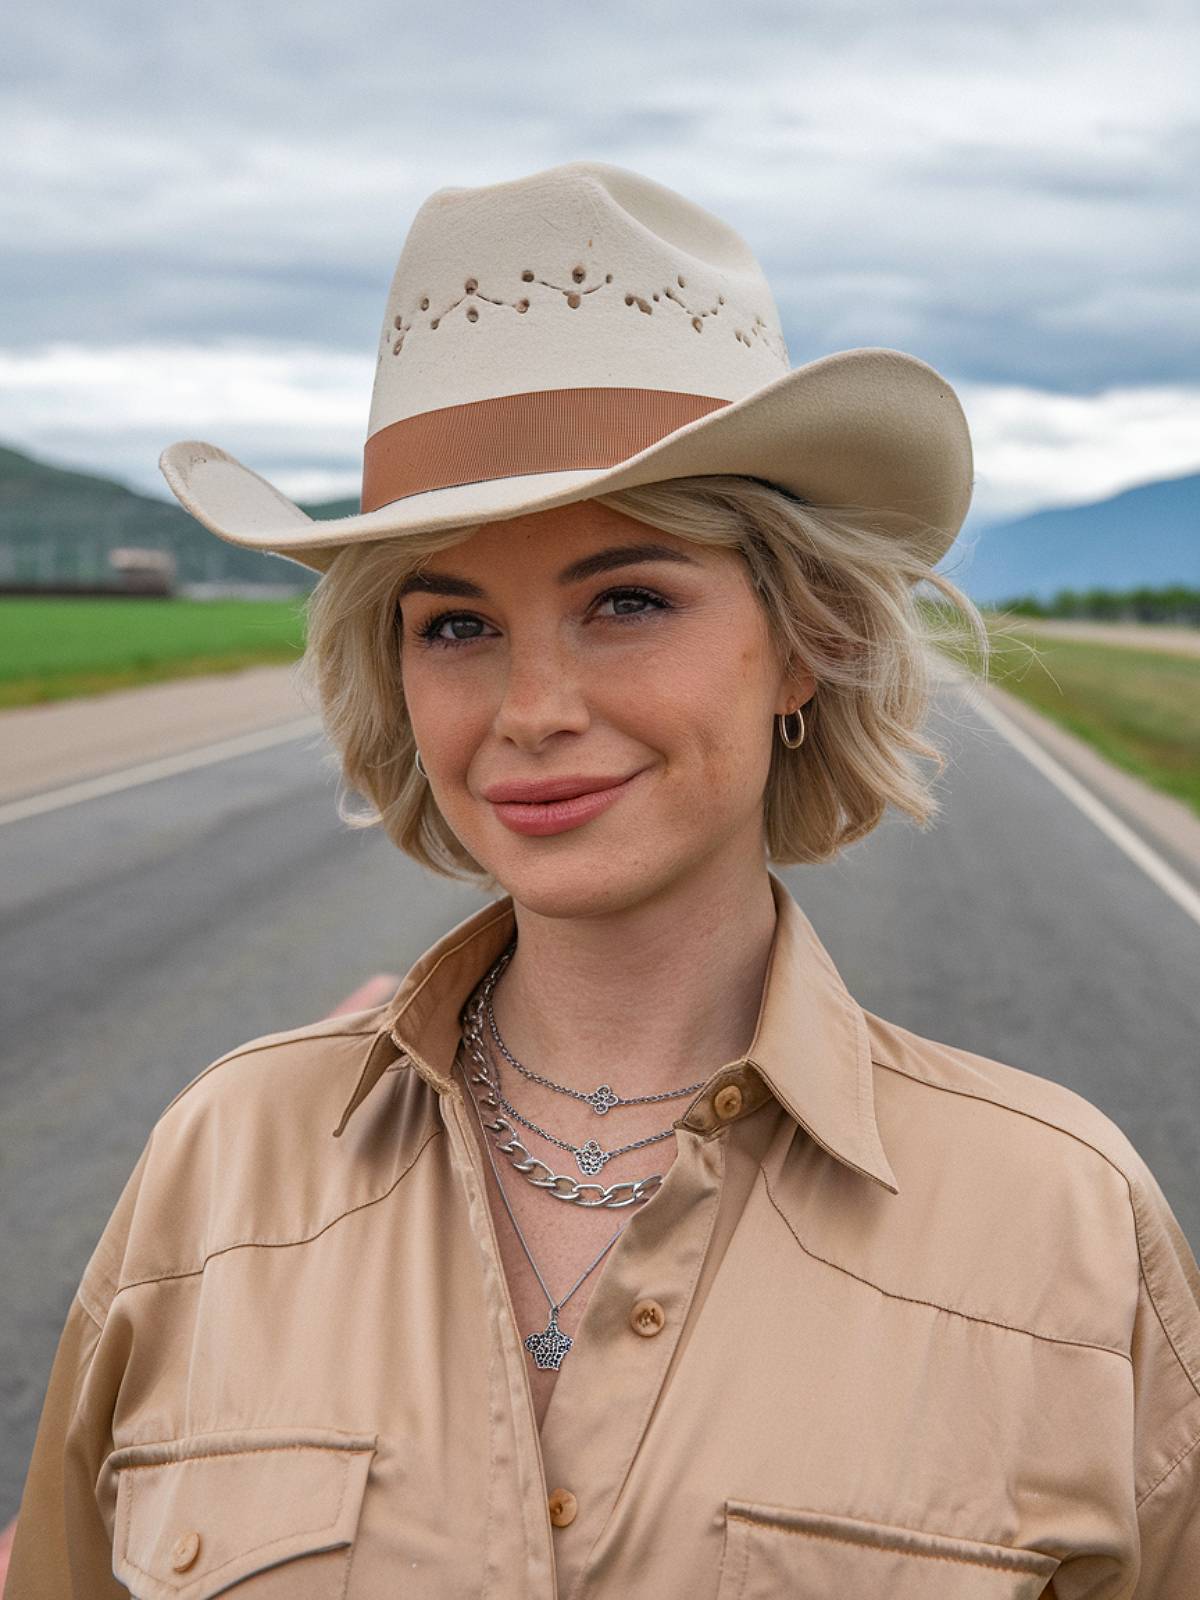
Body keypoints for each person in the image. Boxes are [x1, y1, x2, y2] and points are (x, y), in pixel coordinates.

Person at [6, 160, 1198, 1599]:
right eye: (455, 626)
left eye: (627, 601)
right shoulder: (222, 1163)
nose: (531, 708)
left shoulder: (1059, 1225)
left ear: (805, 637)